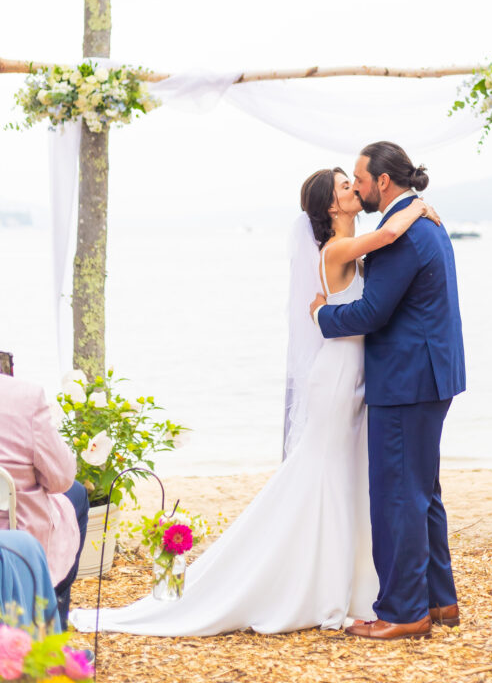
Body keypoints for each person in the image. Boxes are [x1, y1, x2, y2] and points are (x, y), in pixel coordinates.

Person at [71, 167, 439, 636]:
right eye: (347, 186)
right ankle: (316, 584)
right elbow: (389, 231)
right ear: (331, 206)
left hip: (355, 375)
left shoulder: (349, 251)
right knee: (325, 473)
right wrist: (419, 207)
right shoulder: (337, 248)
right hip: (338, 377)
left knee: (344, 475)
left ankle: (347, 581)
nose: (355, 190)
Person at [311, 141, 466, 641]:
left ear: (382, 182)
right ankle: (440, 602)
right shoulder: (420, 222)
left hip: (406, 381)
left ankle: (403, 612)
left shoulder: (402, 233)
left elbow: (372, 313)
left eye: (358, 177)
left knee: (398, 495)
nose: (355, 185)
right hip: (429, 375)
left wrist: (321, 316)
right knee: (423, 493)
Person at [0, 373, 89, 630]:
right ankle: (53, 623)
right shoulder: (25, 396)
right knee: (78, 494)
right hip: (17, 531)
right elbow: (61, 479)